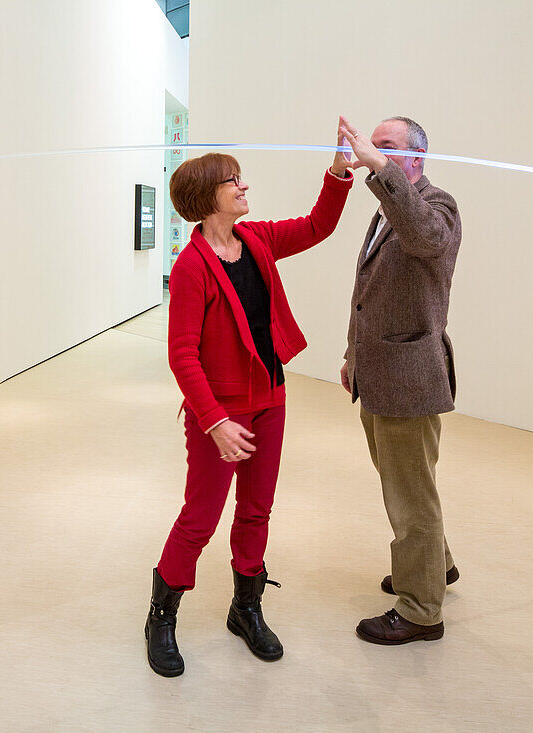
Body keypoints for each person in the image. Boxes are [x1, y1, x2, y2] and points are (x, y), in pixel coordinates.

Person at [145, 129, 354, 677]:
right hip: (221, 412)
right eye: (232, 181)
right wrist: (214, 420)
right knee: (201, 516)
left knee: (256, 509)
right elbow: (182, 355)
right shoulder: (192, 268)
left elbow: (317, 226)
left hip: (270, 399)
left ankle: (246, 608)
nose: (243, 187)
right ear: (207, 195)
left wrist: (337, 173)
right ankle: (161, 616)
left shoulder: (257, 238)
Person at [337, 115, 462, 645]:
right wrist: (352, 356)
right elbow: (369, 291)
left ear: (415, 158)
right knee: (409, 486)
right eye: (370, 143)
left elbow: (423, 236)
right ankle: (435, 568)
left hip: (409, 379)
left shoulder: (438, 208)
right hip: (380, 372)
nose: (368, 150)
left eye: (385, 146)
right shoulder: (387, 211)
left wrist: (377, 166)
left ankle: (420, 608)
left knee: (411, 499)